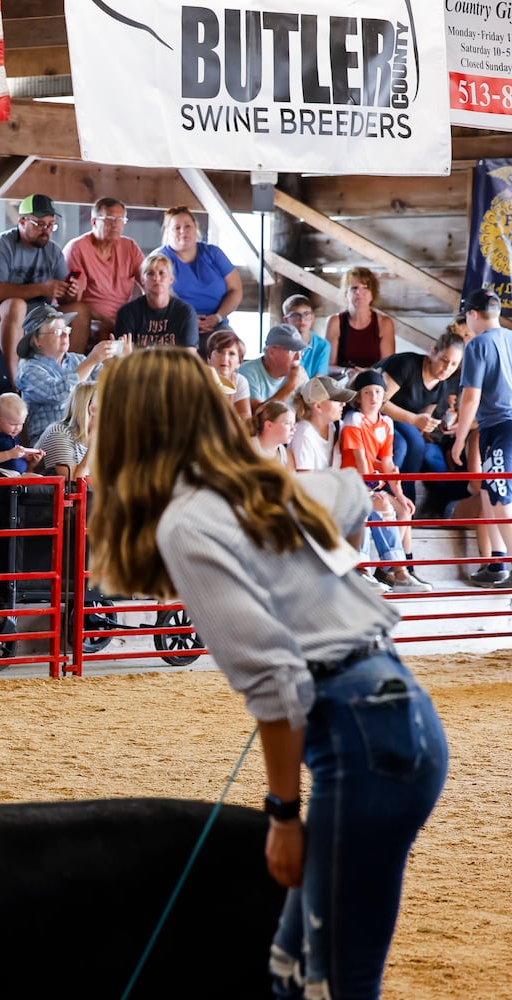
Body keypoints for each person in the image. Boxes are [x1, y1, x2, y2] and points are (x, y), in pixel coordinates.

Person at [88, 348, 446, 1000]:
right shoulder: (256, 488)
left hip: (357, 732)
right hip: (393, 713)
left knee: (329, 981)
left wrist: (282, 814)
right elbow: (346, 495)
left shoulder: (188, 521)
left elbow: (277, 683)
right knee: (288, 968)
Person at [0, 193, 83, 383]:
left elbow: (63, 300)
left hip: (39, 316)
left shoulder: (53, 251)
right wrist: (42, 289)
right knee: (16, 305)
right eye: (39, 224)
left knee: (79, 310)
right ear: (22, 221)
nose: (45, 230)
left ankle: (70, 380)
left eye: (50, 225)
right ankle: (11, 384)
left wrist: (70, 292)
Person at [339, 369, 430, 593]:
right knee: (376, 508)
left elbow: (388, 465)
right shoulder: (354, 419)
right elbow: (361, 463)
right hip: (352, 484)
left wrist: (400, 494)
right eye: (367, 392)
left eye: (378, 392)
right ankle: (363, 571)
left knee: (402, 508)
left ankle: (398, 571)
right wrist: (371, 493)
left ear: (384, 397)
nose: (373, 397)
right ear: (358, 397)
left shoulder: (386, 423)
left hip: (372, 483)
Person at [451, 288, 512, 586]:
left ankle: (508, 559)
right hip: (495, 426)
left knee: (500, 492)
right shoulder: (510, 339)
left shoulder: (477, 346)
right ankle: (497, 560)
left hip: (502, 426)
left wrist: (459, 439)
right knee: (489, 491)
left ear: (473, 314)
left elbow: (470, 398)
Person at [372, 331, 464, 505]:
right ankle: (384, 497)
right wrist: (415, 420)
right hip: (373, 411)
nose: (447, 369)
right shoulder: (406, 364)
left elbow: (425, 415)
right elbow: (379, 402)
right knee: (400, 446)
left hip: (400, 419)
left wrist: (433, 426)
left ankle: (407, 502)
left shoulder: (442, 384)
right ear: (432, 352)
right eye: (444, 360)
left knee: (417, 444)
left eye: (453, 364)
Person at [16, 303, 118, 441]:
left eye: (67, 330)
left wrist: (119, 361)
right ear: (37, 340)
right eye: (57, 332)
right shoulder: (28, 368)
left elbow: (109, 384)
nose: (65, 335)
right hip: (50, 440)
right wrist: (92, 360)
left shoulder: (77, 359)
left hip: (82, 435)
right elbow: (60, 393)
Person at [63, 196, 144, 352]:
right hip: (91, 318)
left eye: (120, 219)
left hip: (123, 318)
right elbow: (74, 301)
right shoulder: (77, 248)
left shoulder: (130, 247)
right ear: (94, 222)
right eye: (109, 219)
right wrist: (108, 321)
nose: (115, 224)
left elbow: (150, 282)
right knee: (105, 334)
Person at [154, 206, 241, 338]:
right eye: (177, 228)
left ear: (196, 228)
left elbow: (236, 290)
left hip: (217, 324)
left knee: (230, 346)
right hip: (175, 324)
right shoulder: (159, 258)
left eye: (187, 226)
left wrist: (217, 317)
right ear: (168, 232)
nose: (183, 231)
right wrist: (188, 319)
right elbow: (154, 297)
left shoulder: (213, 253)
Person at [114, 251, 198, 350]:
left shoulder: (186, 312)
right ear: (142, 280)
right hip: (137, 365)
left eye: (162, 273)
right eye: (150, 273)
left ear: (171, 279)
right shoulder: (127, 312)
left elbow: (190, 355)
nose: (156, 278)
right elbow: (121, 353)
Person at [325, 267, 396, 373]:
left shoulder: (384, 323)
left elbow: (388, 366)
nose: (359, 292)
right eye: (354, 288)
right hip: (343, 382)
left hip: (374, 382)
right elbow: (327, 366)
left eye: (366, 287)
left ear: (373, 293)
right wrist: (346, 371)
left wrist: (367, 373)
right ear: (346, 293)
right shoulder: (335, 321)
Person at [238, 324, 308, 413]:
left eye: (301, 352)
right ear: (271, 352)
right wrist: (291, 386)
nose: (298, 358)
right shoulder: (247, 373)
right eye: (293, 352)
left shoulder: (297, 373)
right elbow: (258, 416)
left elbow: (314, 408)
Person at [36, 379, 97, 482]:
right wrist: (92, 448)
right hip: (44, 496)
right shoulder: (59, 433)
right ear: (92, 410)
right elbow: (73, 484)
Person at [290, 375, 353, 472]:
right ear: (318, 406)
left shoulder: (335, 426)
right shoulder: (304, 433)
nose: (343, 404)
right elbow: (305, 481)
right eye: (336, 400)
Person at [0, 393, 44, 473]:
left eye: (21, 424)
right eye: (13, 424)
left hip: (18, 476)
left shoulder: (16, 439)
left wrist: (27, 457)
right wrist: (9, 454)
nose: (17, 428)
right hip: (2, 474)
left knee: (40, 479)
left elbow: (16, 457)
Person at [204, 327, 252, 420]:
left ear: (239, 363)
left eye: (231, 354)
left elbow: (246, 419)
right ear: (209, 358)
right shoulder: (197, 379)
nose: (225, 358)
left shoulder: (239, 381)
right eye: (219, 352)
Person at [282, 294, 331, 378]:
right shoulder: (279, 345)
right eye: (295, 315)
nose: (302, 319)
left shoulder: (322, 345)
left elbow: (318, 380)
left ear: (312, 318)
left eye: (306, 314)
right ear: (286, 320)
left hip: (311, 389)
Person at [250, 401, 297, 470]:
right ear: (269, 425)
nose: (293, 429)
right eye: (287, 423)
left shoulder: (286, 455)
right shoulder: (249, 448)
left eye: (294, 424)